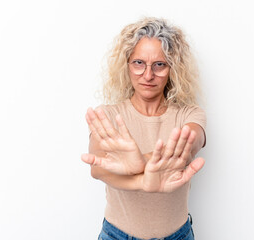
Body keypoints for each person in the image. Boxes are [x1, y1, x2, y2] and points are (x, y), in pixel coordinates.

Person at [81, 17, 207, 240]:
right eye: (139, 63)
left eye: (159, 65)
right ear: (126, 65)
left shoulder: (189, 114)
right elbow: (98, 169)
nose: (148, 75)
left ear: (172, 69)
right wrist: (141, 180)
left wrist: (136, 162)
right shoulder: (108, 115)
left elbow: (184, 149)